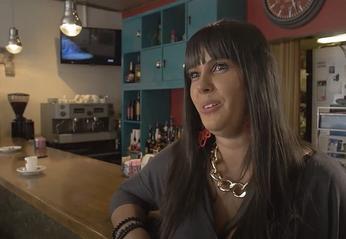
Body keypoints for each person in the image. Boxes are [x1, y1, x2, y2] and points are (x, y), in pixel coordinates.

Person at [110, 20, 346, 239]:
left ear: (257, 77)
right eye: (194, 74)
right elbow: (126, 195)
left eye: (219, 67)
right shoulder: (180, 159)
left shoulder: (322, 181)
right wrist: (132, 232)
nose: (201, 85)